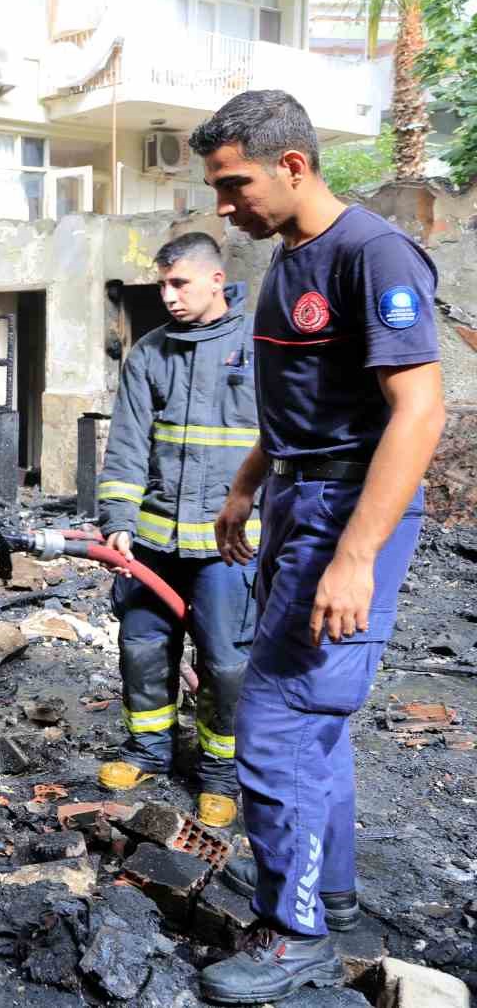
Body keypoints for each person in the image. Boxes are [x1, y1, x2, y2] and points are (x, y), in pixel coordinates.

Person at [190, 91, 444, 1004]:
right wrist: (247, 483)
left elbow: (418, 412)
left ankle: (292, 935)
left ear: (292, 165)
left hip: (348, 509)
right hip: (300, 496)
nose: (225, 205)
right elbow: (299, 404)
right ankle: (326, 895)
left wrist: (355, 555)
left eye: (234, 183)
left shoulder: (373, 254)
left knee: (277, 724)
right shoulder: (287, 260)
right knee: (315, 726)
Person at [95, 232, 259, 829]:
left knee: (225, 661)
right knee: (141, 648)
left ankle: (220, 771)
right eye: (161, 284)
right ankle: (148, 751)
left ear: (217, 279)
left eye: (178, 283)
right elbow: (128, 447)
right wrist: (117, 521)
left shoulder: (258, 347)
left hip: (228, 547)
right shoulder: (150, 353)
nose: (167, 296)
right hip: (153, 541)